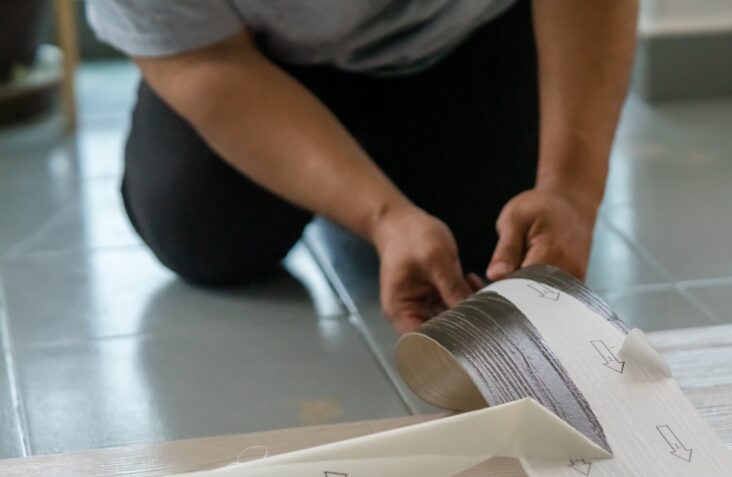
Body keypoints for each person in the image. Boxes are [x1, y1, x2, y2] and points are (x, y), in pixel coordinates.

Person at [87, 0, 637, 332]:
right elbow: (200, 61)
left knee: (489, 255)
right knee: (203, 232)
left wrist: (571, 188)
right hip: (251, 54)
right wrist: (381, 216)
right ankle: (356, 176)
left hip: (467, 34)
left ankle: (378, 161)